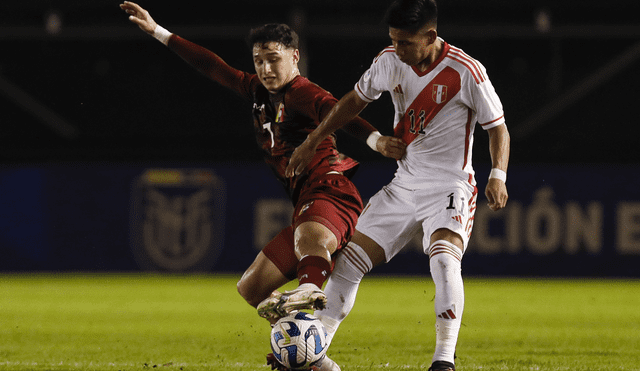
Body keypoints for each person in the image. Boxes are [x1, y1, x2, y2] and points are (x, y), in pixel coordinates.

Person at [120, 2, 406, 370]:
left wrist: (375, 141)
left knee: (309, 240)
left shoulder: (304, 92)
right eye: (259, 61)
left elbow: (339, 111)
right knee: (252, 289)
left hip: (330, 190)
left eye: (274, 59)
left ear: (295, 57)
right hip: (306, 200)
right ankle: (313, 357)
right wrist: (159, 31)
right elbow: (212, 66)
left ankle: (310, 290)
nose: (266, 69)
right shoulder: (256, 90)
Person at [286, 0, 510, 370]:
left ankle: (443, 359)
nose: (398, 49)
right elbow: (352, 102)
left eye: (405, 42)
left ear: (431, 36)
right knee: (346, 264)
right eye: (393, 40)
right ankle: (315, 353)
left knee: (443, 260)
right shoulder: (390, 60)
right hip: (404, 185)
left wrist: (497, 175)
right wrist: (312, 141)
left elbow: (497, 127)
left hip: (450, 186)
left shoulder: (466, 71)